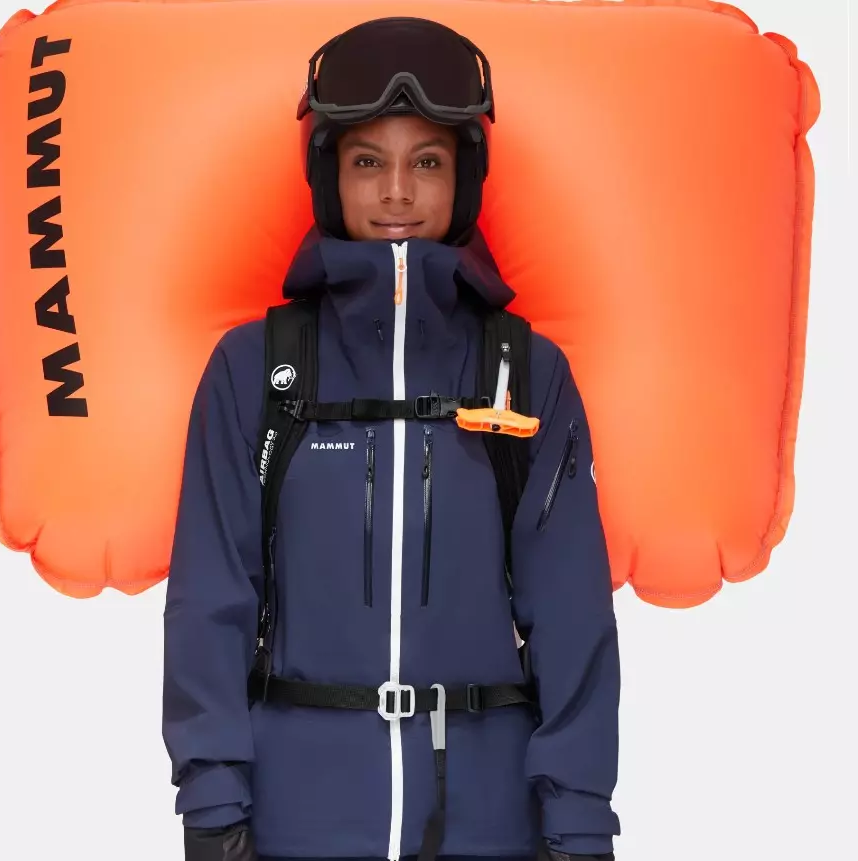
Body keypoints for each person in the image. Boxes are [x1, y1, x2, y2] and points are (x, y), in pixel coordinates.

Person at [162, 17, 621, 861]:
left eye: (429, 162)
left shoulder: (526, 371)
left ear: (464, 179)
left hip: (492, 828)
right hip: (296, 827)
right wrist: (213, 811)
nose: (399, 192)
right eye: (369, 161)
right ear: (330, 176)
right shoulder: (254, 369)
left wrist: (581, 822)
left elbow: (572, 615)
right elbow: (210, 599)